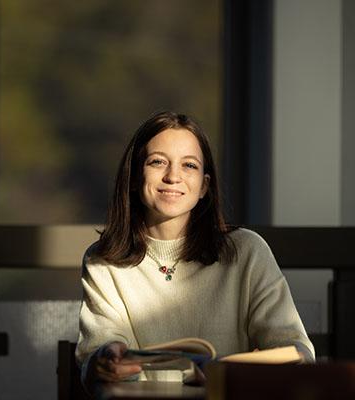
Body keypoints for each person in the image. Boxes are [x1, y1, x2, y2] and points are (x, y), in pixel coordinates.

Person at [75, 111, 314, 387]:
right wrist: (104, 361)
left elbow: (297, 352)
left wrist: (229, 375)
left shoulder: (247, 251)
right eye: (157, 162)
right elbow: (98, 355)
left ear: (204, 186)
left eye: (189, 165)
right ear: (133, 179)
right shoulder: (103, 261)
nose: (173, 176)